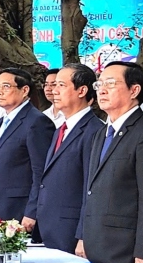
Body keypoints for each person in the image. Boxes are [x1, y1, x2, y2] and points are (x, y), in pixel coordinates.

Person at [78, 62, 143, 263]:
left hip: (129, 252)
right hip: (98, 246)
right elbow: (91, 189)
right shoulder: (101, 134)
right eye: (99, 83)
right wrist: (83, 236)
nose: (101, 89)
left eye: (110, 83)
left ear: (134, 90)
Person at [35, 64, 100, 253]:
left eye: (61, 85)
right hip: (49, 226)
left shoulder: (94, 131)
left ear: (82, 90)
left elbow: (91, 189)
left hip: (71, 231)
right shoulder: (60, 130)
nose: (53, 91)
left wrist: (83, 235)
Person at [0, 68, 54, 222]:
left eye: (6, 87)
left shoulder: (36, 122)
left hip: (18, 210)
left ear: (24, 90)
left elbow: (41, 171)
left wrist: (32, 211)